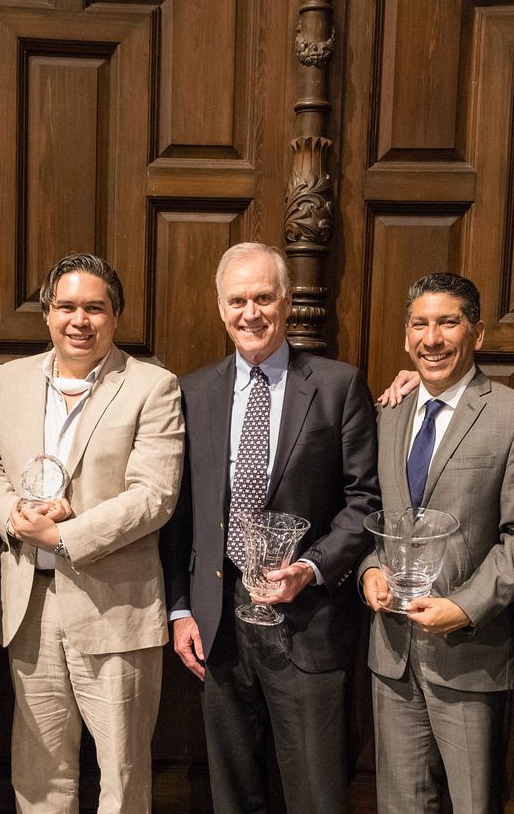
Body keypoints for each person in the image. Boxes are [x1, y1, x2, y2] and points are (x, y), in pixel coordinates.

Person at [161, 242, 379, 814]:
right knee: (232, 792)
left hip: (308, 618)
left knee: (315, 793)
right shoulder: (192, 392)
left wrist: (310, 568)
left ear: (286, 301)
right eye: (237, 300)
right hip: (219, 618)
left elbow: (364, 501)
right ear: (220, 307)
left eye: (263, 297)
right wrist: (180, 609)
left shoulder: (337, 385)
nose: (250, 313)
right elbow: (179, 514)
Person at [0, 253, 185, 814]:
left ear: (116, 316)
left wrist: (65, 536)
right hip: (29, 607)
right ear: (47, 313)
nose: (79, 320)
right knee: (40, 774)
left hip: (115, 607)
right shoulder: (9, 380)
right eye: (66, 306)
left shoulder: (152, 386)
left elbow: (154, 494)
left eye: (95, 308)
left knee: (122, 773)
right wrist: (13, 515)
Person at [359, 273, 514, 814]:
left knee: (474, 804)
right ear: (406, 336)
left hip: (469, 655)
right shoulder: (389, 411)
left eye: (448, 323)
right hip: (392, 652)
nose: (432, 338)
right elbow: (377, 515)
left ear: (477, 333)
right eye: (420, 324)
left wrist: (463, 608)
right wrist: (371, 569)